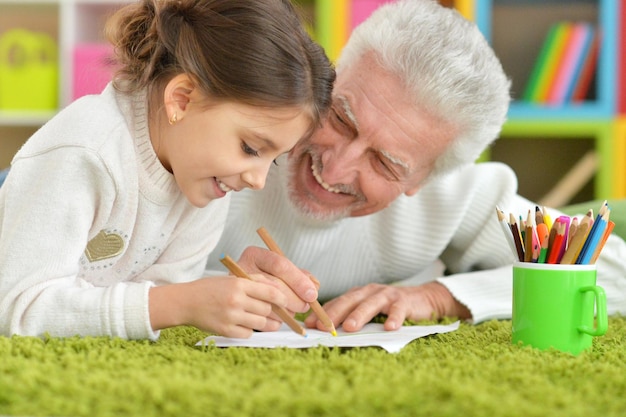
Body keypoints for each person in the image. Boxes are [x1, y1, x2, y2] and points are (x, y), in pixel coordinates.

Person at [206, 0, 626, 332]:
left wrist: (438, 296)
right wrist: (209, 286)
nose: (334, 169)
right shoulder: (230, 135)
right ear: (332, 75)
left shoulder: (455, 195)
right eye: (340, 118)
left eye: (385, 164)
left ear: (426, 180)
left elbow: (613, 270)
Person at [0, 0, 335, 339]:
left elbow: (160, 294)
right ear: (182, 100)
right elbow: (17, 308)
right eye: (250, 148)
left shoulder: (204, 181)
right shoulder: (84, 151)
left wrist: (231, 293)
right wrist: (182, 303)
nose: (258, 180)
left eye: (273, 158)